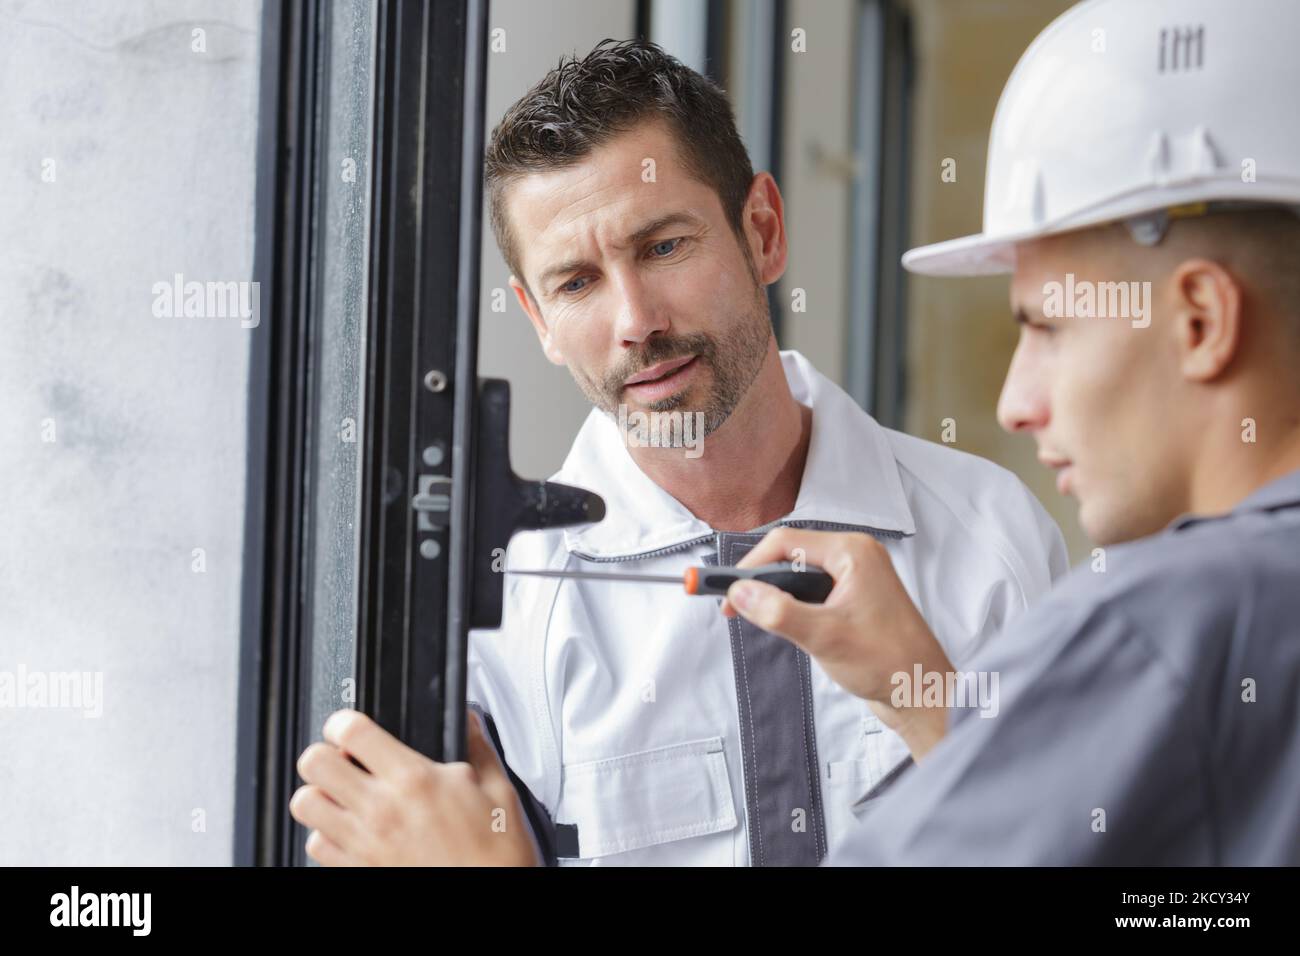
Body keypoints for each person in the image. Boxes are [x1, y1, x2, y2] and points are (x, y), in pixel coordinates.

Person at [287, 37, 1068, 866]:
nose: (636, 322)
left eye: (662, 247)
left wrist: (938, 708)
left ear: (762, 232)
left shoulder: (991, 539)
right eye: (577, 283)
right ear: (539, 319)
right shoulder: (496, 625)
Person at [721, 0, 1300, 864]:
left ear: (1199, 320)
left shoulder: (1154, 625)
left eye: (1048, 327)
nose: (1014, 403)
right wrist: (931, 705)